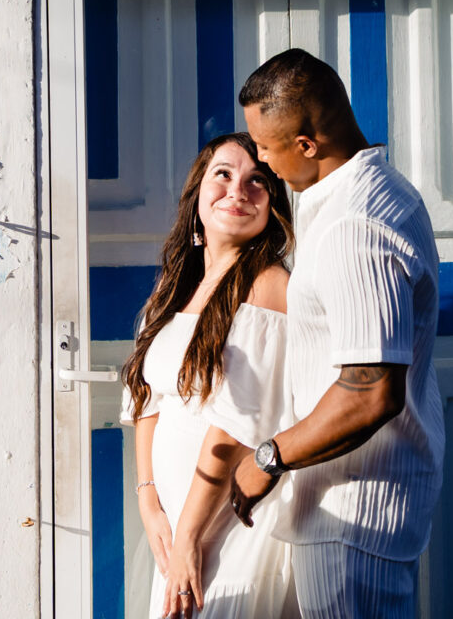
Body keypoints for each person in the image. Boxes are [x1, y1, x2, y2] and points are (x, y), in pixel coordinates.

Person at [229, 49, 445, 619]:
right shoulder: (353, 197)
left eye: (266, 147)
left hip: (355, 516)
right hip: (340, 508)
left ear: (307, 144)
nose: (261, 160)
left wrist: (266, 459)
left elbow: (370, 391)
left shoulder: (357, 224)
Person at [119, 132, 299, 619]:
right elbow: (146, 400)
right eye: (224, 174)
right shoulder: (173, 288)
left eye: (257, 180)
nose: (238, 190)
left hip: (227, 520)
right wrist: (149, 500)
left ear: (273, 203)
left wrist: (192, 538)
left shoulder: (268, 284)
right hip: (174, 517)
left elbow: (236, 422)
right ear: (198, 188)